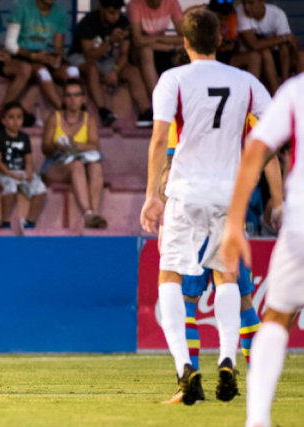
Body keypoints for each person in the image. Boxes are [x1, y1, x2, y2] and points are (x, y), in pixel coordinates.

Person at [139, 8, 271, 405]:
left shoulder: (173, 79)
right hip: (228, 195)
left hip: (185, 192)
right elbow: (271, 137)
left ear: (184, 41)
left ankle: (185, 368)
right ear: (222, 40)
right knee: (226, 276)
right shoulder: (246, 82)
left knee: (169, 277)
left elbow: (161, 140)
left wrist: (151, 196)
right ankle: (228, 360)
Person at [159, 113, 283, 405]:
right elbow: (271, 156)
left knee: (186, 302)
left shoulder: (184, 107)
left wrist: (163, 202)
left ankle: (190, 382)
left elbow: (169, 162)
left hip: (189, 214)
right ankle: (254, 380)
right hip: (228, 210)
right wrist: (278, 203)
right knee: (244, 302)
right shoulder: (243, 108)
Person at [219, 73, 303, 427]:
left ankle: (257, 420)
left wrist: (234, 223)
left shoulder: (296, 90)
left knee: (278, 317)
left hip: (302, 221)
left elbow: (256, 150)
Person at [68, 0, 152, 128]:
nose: (115, 16)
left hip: (106, 60)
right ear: (102, 8)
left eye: (118, 12)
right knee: (92, 69)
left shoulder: (123, 22)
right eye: (112, 12)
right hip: (82, 57)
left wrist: (115, 70)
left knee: (132, 71)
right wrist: (110, 41)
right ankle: (104, 111)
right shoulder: (88, 22)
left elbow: (124, 54)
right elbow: (89, 56)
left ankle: (146, 113)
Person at [42, 79, 106, 229]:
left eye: (76, 95)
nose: (72, 99)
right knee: (76, 165)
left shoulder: (89, 119)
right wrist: (57, 146)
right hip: (56, 165)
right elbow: (45, 148)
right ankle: (88, 214)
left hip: (81, 164)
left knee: (95, 167)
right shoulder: (54, 118)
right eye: (69, 95)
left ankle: (95, 214)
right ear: (64, 99)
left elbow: (94, 146)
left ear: (83, 98)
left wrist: (73, 145)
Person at [5, 0, 80, 109]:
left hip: (47, 55)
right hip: (24, 55)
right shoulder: (21, 7)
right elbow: (10, 45)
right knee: (43, 73)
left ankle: (80, 111)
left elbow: (58, 47)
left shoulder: (61, 13)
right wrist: (34, 56)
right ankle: (64, 112)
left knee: (73, 71)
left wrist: (57, 57)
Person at [0, 101, 46, 232]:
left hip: (20, 171)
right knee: (10, 186)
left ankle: (30, 223)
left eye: (19, 117)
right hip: (4, 172)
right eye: (11, 117)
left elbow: (28, 158)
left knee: (40, 188)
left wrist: (28, 173)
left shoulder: (24, 137)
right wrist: (10, 174)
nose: (16, 121)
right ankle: (5, 221)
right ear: (3, 121)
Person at [237, 0, 304, 95]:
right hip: (252, 57)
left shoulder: (277, 14)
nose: (247, 7)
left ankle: (299, 100)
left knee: (301, 56)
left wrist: (285, 81)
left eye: (251, 3)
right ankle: (276, 96)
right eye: (244, 3)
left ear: (262, 1)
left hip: (276, 56)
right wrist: (284, 37)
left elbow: (284, 48)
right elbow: (254, 45)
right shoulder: (241, 11)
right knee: (265, 52)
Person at [128, 0, 184, 95]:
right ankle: (156, 97)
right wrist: (171, 46)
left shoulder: (172, 2)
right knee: (146, 51)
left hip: (159, 46)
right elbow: (137, 41)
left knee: (187, 50)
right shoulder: (135, 4)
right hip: (140, 52)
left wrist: (156, 38)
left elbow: (184, 37)